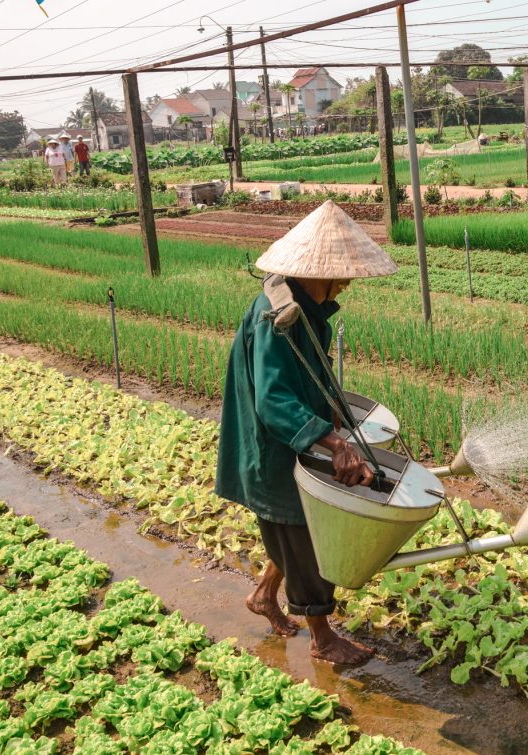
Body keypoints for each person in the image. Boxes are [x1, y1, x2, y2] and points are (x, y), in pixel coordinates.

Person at [215, 200, 399, 665]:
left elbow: (311, 377)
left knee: (298, 530)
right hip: (272, 449)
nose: (347, 283)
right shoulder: (277, 318)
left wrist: (337, 416)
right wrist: (334, 442)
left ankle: (263, 596)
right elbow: (274, 401)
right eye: (341, 275)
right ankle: (322, 638)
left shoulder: (299, 306)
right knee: (304, 534)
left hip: (290, 439)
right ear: (315, 271)